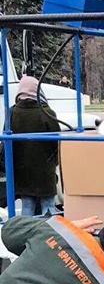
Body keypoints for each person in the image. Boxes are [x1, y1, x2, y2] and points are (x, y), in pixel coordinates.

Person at [9, 75, 60, 216]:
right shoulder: (47, 113)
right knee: (48, 208)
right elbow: (57, 143)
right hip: (45, 170)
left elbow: (7, 143)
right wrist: (53, 162)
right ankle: (47, 236)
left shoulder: (12, 113)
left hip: (23, 170)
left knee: (27, 206)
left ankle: (25, 234)